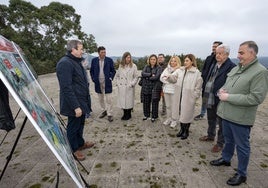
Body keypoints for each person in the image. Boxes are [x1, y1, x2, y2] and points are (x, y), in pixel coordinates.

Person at [210, 41, 268, 186]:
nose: (238, 55)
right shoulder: (238, 68)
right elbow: (228, 85)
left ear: (252, 53)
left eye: (241, 53)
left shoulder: (260, 72)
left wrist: (229, 97)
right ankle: (226, 158)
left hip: (241, 118)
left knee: (242, 146)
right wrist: (221, 90)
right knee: (228, 140)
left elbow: (256, 98)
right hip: (227, 114)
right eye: (238, 52)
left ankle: (242, 174)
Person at [56, 40, 94, 161]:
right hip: (74, 104)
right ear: (73, 50)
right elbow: (66, 87)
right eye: (80, 49)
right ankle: (73, 149)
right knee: (73, 126)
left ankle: (80, 143)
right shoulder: (65, 63)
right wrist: (75, 106)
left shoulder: (77, 61)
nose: (82, 51)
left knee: (80, 124)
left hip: (82, 101)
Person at [199, 44, 236, 153]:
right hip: (209, 97)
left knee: (221, 123)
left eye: (220, 53)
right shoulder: (215, 64)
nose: (217, 55)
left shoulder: (231, 67)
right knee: (211, 118)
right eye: (216, 53)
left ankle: (220, 143)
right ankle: (210, 135)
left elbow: (231, 84)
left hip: (220, 99)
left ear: (227, 54)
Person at [167, 54, 203, 139]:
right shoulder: (180, 70)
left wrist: (194, 96)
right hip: (179, 96)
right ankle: (181, 130)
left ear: (192, 61)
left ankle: (186, 131)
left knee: (187, 115)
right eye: (185, 60)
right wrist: (169, 77)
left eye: (187, 61)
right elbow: (174, 79)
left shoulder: (196, 73)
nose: (185, 62)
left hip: (188, 97)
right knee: (181, 113)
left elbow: (198, 87)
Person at [194, 41, 223, 120]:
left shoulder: (221, 59)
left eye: (215, 46)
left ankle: (217, 117)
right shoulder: (209, 58)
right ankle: (202, 114)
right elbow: (204, 69)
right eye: (213, 46)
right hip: (206, 83)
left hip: (216, 85)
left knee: (215, 102)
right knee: (204, 99)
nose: (213, 48)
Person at [90, 46, 116, 122]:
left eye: (105, 52)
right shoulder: (94, 60)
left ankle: (109, 114)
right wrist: (93, 79)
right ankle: (104, 110)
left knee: (109, 99)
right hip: (98, 82)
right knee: (100, 99)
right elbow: (91, 71)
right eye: (102, 52)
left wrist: (111, 78)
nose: (104, 54)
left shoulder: (109, 60)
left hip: (107, 82)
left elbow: (113, 71)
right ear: (98, 53)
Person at [115, 52, 139, 120]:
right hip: (122, 86)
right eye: (127, 57)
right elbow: (117, 76)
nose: (128, 59)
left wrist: (132, 84)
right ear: (124, 58)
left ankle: (128, 114)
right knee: (123, 101)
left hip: (129, 86)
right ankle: (125, 114)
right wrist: (118, 84)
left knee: (129, 101)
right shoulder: (120, 66)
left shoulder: (133, 66)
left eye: (129, 57)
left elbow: (136, 77)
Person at [160, 55, 181, 128]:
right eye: (172, 60)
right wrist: (168, 80)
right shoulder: (167, 69)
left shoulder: (179, 70)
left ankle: (174, 120)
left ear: (177, 62)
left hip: (174, 90)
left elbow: (177, 81)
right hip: (166, 89)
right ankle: (169, 118)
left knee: (174, 106)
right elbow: (161, 78)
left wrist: (167, 79)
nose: (173, 62)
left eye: (175, 61)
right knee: (168, 106)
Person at [141, 54, 163, 122]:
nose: (152, 61)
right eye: (151, 59)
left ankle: (154, 116)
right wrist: (150, 74)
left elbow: (156, 77)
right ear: (149, 60)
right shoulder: (146, 66)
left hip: (155, 88)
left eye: (154, 59)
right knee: (146, 102)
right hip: (146, 87)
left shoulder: (159, 68)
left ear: (156, 60)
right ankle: (146, 115)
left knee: (154, 102)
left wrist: (147, 77)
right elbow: (142, 73)